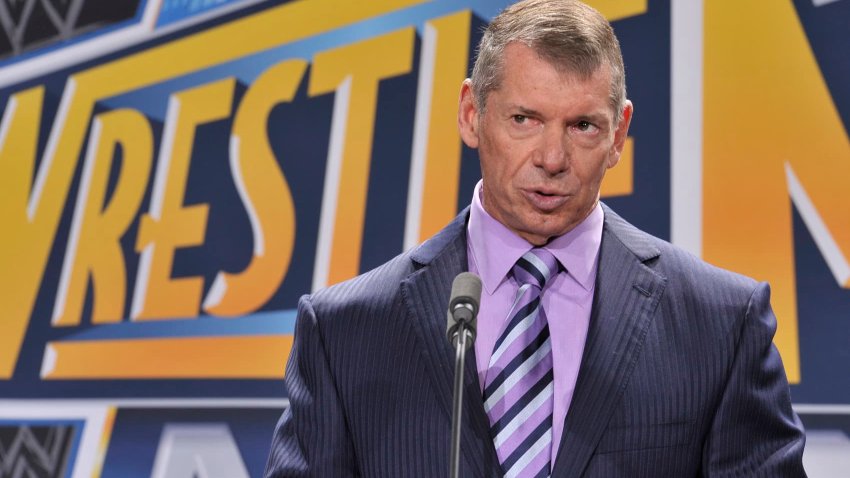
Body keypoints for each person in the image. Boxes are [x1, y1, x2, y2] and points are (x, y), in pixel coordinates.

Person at [264, 0, 807, 476]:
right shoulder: (345, 332)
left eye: (583, 126)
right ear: (472, 114)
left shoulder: (720, 323)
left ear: (618, 134)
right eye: (524, 118)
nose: (551, 159)